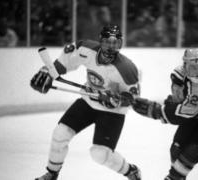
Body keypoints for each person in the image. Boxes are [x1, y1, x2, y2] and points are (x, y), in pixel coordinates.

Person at [31, 25, 141, 180]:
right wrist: (47, 73)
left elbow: (132, 99)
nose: (111, 47)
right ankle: (52, 173)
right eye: (107, 42)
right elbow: (63, 64)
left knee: (99, 154)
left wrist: (116, 100)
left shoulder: (127, 68)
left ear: (121, 44)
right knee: (60, 134)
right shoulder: (85, 48)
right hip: (88, 102)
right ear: (100, 41)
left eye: (115, 43)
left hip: (112, 112)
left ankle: (131, 171)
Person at [131, 48, 198, 180]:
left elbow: (182, 115)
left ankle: (174, 178)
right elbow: (180, 99)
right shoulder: (180, 74)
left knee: (193, 150)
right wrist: (170, 105)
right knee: (176, 149)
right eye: (194, 68)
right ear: (185, 67)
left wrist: (156, 111)